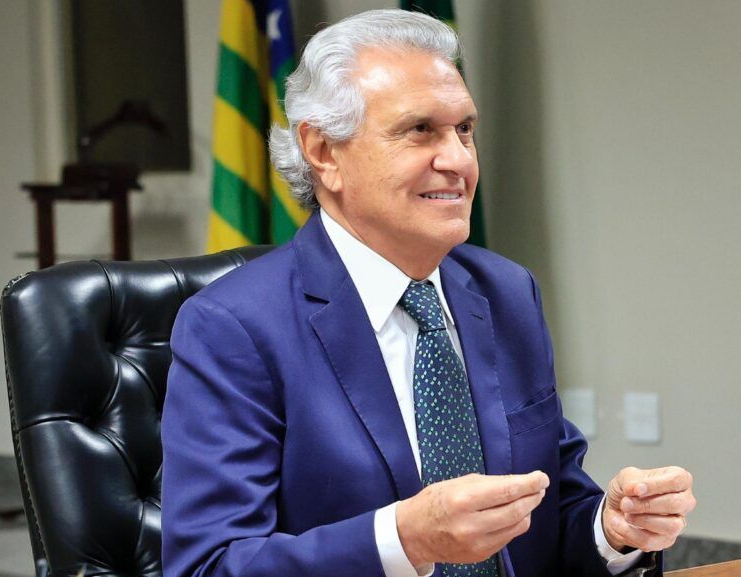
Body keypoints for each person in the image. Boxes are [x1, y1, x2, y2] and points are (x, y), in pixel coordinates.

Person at [162, 9, 695, 577]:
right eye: (420, 130)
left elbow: (548, 519)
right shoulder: (234, 326)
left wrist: (611, 530)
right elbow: (209, 565)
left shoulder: (505, 292)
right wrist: (404, 541)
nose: (460, 160)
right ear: (323, 151)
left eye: (464, 129)